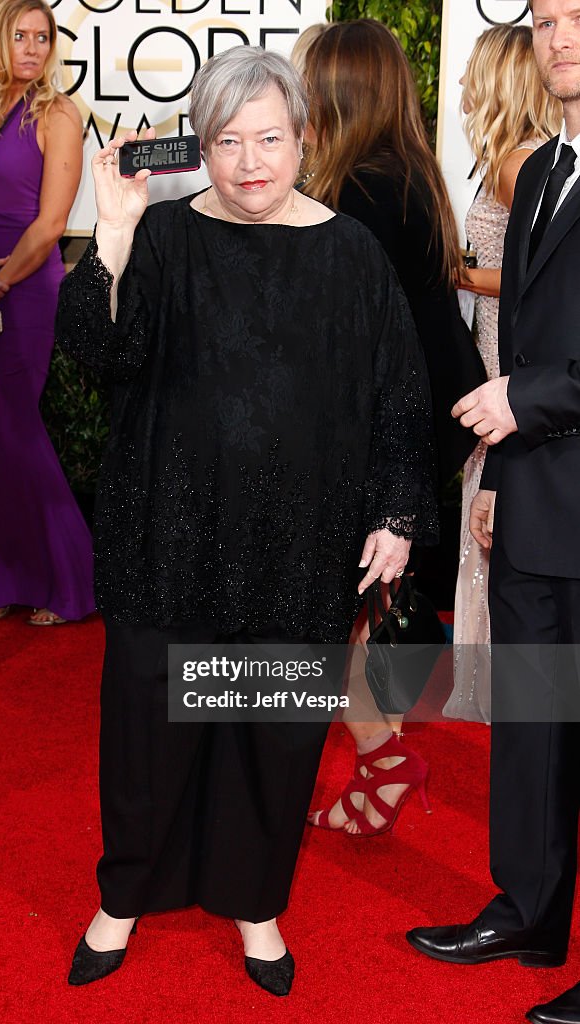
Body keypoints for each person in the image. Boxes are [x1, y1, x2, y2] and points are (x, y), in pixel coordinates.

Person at [56, 45, 436, 996]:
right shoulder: (166, 237)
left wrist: (395, 511)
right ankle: (126, 894)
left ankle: (255, 902)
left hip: (298, 540)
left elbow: (399, 392)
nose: (250, 161)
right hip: (168, 532)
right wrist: (111, 232)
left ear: (305, 140)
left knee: (270, 730)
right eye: (228, 140)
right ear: (203, 147)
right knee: (150, 725)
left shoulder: (348, 252)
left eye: (270, 138)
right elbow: (97, 358)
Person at [407, 4, 580, 1022]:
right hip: (537, 498)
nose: (562, 39)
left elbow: (535, 374)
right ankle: (529, 907)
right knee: (532, 722)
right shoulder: (548, 167)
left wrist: (526, 403)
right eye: (549, 19)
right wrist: (503, 477)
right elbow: (527, 336)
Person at [300, 19, 473, 836]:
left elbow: (338, 344)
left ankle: (380, 754)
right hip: (422, 417)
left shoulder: (359, 192)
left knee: (313, 615)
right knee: (361, 608)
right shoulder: (409, 173)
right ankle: (384, 758)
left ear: (337, 89)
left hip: (380, 432)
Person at [0, 0, 94, 627]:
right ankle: (5, 579)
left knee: (20, 430)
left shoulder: (59, 114)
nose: (33, 48)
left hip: (27, 291)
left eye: (43, 37)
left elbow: (52, 224)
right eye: (20, 35)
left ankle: (71, 583)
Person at [445, 24, 560, 725]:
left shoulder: (517, 166)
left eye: (471, 76)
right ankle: (487, 679)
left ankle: (491, 682)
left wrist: (450, 271)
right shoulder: (518, 161)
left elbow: (529, 281)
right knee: (486, 510)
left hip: (506, 360)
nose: (461, 89)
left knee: (490, 508)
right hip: (499, 352)